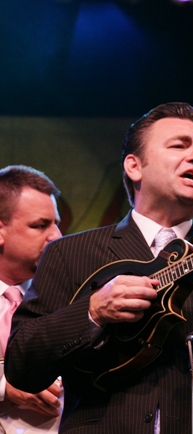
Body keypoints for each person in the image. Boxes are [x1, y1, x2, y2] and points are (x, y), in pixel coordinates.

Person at [5, 103, 193, 433]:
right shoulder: (68, 253)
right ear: (134, 166)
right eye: (179, 145)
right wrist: (92, 311)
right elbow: (21, 364)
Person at [0, 165, 63, 433]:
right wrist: (6, 387)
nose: (57, 236)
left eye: (57, 224)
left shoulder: (65, 295)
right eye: (40, 225)